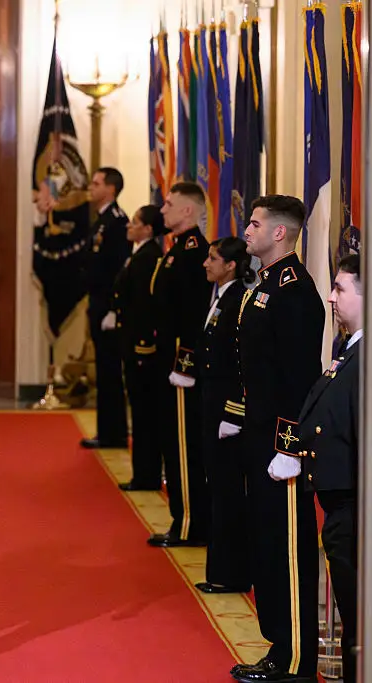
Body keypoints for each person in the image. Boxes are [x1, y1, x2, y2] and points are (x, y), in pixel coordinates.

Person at [225, 195, 323, 683]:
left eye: (255, 223)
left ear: (280, 233)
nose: (247, 230)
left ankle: (298, 660)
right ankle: (278, 648)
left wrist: (289, 446)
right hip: (258, 436)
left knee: (287, 549)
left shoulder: (295, 292)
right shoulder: (263, 286)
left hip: (279, 445)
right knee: (265, 545)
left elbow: (299, 376)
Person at [298, 254, 362, 683]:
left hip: (356, 507)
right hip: (341, 503)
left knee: (359, 617)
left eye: (340, 289)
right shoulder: (349, 349)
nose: (331, 297)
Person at [148, 181, 212, 548]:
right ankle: (181, 518)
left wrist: (185, 365)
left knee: (184, 447)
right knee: (171, 444)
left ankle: (190, 524)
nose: (163, 210)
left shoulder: (193, 254)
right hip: (166, 363)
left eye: (169, 204)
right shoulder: (176, 251)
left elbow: (193, 317)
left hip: (180, 367)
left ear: (188, 210)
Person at [194, 237, 253, 594]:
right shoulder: (219, 298)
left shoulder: (237, 302)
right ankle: (220, 570)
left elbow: (238, 362)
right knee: (216, 486)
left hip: (226, 411)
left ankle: (230, 573)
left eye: (213, 258)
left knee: (227, 491)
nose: (206, 263)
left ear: (230, 265)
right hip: (211, 403)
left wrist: (233, 412)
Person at [104, 205, 165, 491]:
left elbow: (144, 306)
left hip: (140, 347)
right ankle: (143, 473)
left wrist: (141, 346)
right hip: (129, 341)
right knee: (139, 412)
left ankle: (146, 475)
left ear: (148, 229)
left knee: (145, 415)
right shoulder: (139, 253)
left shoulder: (148, 257)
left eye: (136, 222)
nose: (129, 225)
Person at [81, 167, 130, 449]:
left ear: (110, 189)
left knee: (110, 370)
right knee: (104, 369)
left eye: (96, 183)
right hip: (98, 303)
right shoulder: (101, 220)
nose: (91, 187)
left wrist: (113, 307)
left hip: (108, 308)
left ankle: (114, 433)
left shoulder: (116, 221)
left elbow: (117, 271)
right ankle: (107, 431)